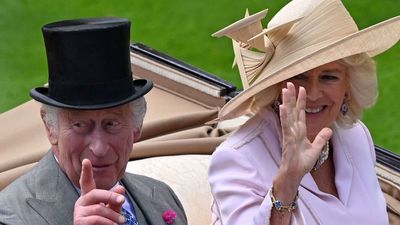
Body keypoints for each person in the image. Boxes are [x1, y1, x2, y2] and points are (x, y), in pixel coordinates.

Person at [208, 0, 399, 224]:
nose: (313, 93)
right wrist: (288, 180)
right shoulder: (238, 157)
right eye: (299, 77)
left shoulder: (356, 136)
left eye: (329, 77)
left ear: (349, 86)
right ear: (276, 86)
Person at [0, 17, 187, 225]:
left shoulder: (161, 197)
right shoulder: (11, 216)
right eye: (80, 125)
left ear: (137, 126)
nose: (99, 148)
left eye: (112, 124)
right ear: (50, 129)